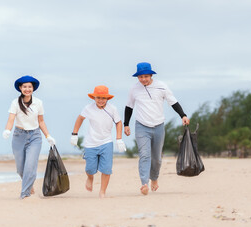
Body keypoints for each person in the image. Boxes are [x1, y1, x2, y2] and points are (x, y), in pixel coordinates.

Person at [124, 62, 190, 195]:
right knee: (144, 155)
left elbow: (173, 101)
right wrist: (126, 124)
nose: (143, 79)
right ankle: (144, 183)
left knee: (157, 158)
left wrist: (183, 115)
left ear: (150, 75)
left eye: (146, 76)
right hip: (141, 126)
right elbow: (129, 106)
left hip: (159, 126)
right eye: (140, 77)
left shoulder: (161, 86)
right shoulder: (134, 88)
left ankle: (154, 178)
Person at [3, 75, 56, 199]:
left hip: (35, 137)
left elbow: (41, 121)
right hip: (18, 136)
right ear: (20, 88)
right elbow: (11, 119)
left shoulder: (38, 103)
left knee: (30, 166)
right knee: (21, 169)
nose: (27, 89)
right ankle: (29, 185)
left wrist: (48, 136)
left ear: (33, 88)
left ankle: (25, 194)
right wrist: (7, 130)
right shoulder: (15, 102)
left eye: (29, 87)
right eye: (25, 87)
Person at [70, 85, 126, 198]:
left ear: (107, 99)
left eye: (103, 98)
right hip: (91, 143)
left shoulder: (112, 109)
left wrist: (119, 139)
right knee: (90, 169)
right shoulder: (88, 108)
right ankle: (90, 178)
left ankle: (102, 192)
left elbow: (119, 122)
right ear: (94, 98)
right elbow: (80, 119)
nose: (101, 100)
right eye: (98, 98)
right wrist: (74, 134)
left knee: (106, 169)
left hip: (106, 142)